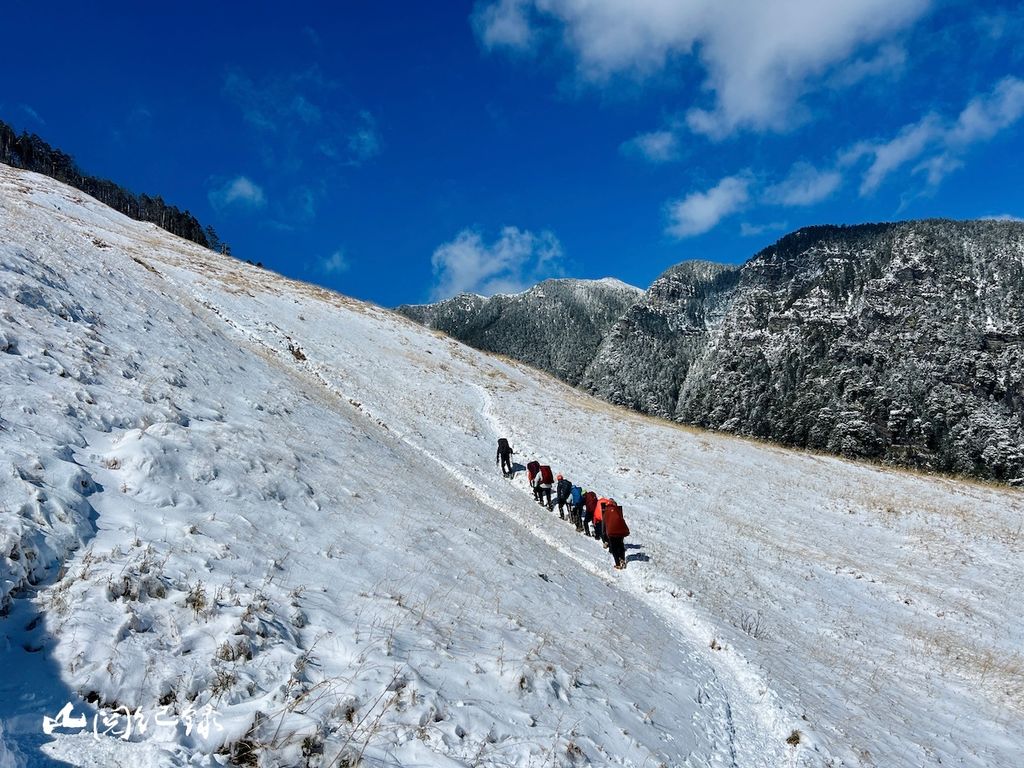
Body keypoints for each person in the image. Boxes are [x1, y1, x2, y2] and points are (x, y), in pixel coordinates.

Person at [600, 499, 630, 570]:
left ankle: (618, 564)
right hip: (620, 531)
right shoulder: (618, 509)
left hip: (612, 532)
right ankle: (622, 559)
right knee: (620, 544)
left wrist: (604, 535)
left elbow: (604, 525)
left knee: (614, 548)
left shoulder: (606, 511)